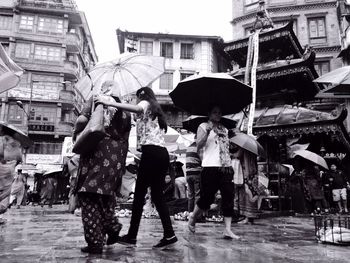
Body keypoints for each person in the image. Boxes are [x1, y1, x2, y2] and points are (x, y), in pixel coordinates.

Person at [95, 86, 177, 248]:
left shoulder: (145, 104)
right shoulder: (153, 113)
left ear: (142, 96)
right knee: (157, 197)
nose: (136, 101)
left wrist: (110, 103)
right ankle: (169, 234)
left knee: (139, 196)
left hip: (152, 154)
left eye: (136, 98)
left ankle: (132, 236)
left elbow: (137, 108)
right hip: (160, 154)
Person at [74, 80, 131, 254]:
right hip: (116, 158)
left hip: (96, 153)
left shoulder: (96, 99)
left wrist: (76, 133)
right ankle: (112, 226)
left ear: (103, 88)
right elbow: (126, 136)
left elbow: (82, 120)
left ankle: (95, 242)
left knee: (89, 196)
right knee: (106, 196)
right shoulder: (125, 110)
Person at [187, 106, 239, 240]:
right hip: (209, 167)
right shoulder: (203, 126)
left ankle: (227, 229)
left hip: (225, 167)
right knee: (207, 198)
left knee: (228, 196)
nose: (218, 115)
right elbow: (199, 145)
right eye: (215, 112)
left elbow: (227, 148)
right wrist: (208, 131)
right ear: (208, 113)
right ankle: (193, 217)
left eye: (220, 113)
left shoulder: (224, 129)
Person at [185, 140, 202, 213]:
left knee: (190, 195)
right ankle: (196, 215)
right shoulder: (198, 147)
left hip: (188, 174)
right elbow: (202, 160)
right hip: (196, 173)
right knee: (197, 195)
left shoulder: (189, 147)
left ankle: (190, 213)